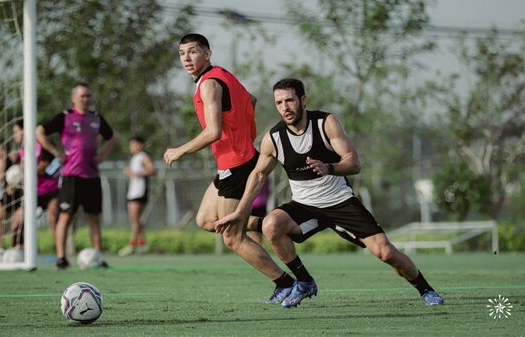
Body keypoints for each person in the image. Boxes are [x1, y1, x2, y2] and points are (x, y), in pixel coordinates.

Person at [215, 78, 444, 308]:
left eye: (290, 100)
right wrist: (240, 211)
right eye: (279, 102)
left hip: (340, 202)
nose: (285, 107)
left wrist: (329, 168)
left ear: (302, 100)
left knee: (385, 253)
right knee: (271, 225)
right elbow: (258, 176)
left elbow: (354, 163)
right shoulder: (273, 138)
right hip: (304, 205)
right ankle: (304, 281)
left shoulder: (327, 123)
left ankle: (425, 289)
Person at [164, 34, 296, 301]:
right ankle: (268, 224)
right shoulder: (223, 75)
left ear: (207, 54)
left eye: (193, 52)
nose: (186, 58)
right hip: (237, 161)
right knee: (205, 220)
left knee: (232, 238)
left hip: (236, 165)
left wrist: (180, 150)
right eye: (182, 53)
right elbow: (252, 100)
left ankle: (286, 283)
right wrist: (243, 133)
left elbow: (213, 131)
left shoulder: (208, 85)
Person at [37, 82, 116, 270]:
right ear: (74, 98)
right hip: (71, 177)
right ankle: (61, 258)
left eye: (88, 96)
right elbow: (39, 132)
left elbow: (111, 137)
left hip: (92, 176)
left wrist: (102, 156)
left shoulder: (96, 118)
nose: (86, 99)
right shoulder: (65, 117)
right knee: (65, 217)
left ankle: (98, 257)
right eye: (82, 96)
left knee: (94, 217)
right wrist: (56, 152)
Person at [12, 120, 60, 248]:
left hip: (50, 189)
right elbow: (21, 173)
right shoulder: (21, 151)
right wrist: (13, 182)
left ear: (24, 130)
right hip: (32, 192)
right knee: (17, 221)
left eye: (16, 132)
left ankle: (60, 252)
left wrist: (30, 171)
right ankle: (17, 249)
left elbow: (46, 166)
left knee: (53, 217)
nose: (14, 135)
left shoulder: (41, 144)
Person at [118, 136, 155, 256]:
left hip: (139, 192)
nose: (131, 147)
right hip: (133, 191)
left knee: (135, 220)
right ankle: (143, 245)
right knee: (136, 220)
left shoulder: (143, 156)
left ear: (140, 145)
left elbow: (152, 170)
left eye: (134, 144)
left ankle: (132, 245)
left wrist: (134, 173)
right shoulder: (134, 157)